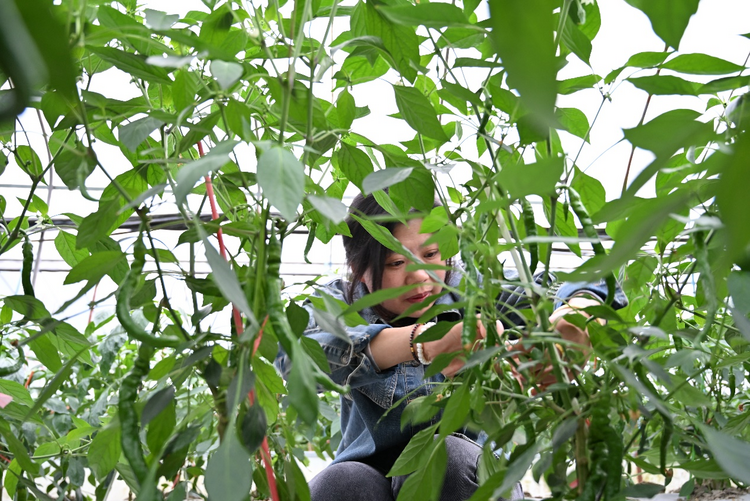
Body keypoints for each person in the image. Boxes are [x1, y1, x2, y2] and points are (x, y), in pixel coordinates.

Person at [278, 192, 627, 501]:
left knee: (450, 458)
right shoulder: (340, 300)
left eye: (431, 253)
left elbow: (587, 279)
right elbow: (294, 354)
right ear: (358, 267)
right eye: (396, 262)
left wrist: (576, 314)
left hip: (469, 476)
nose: (419, 276)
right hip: (369, 479)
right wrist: (423, 344)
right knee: (342, 483)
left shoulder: (474, 290)